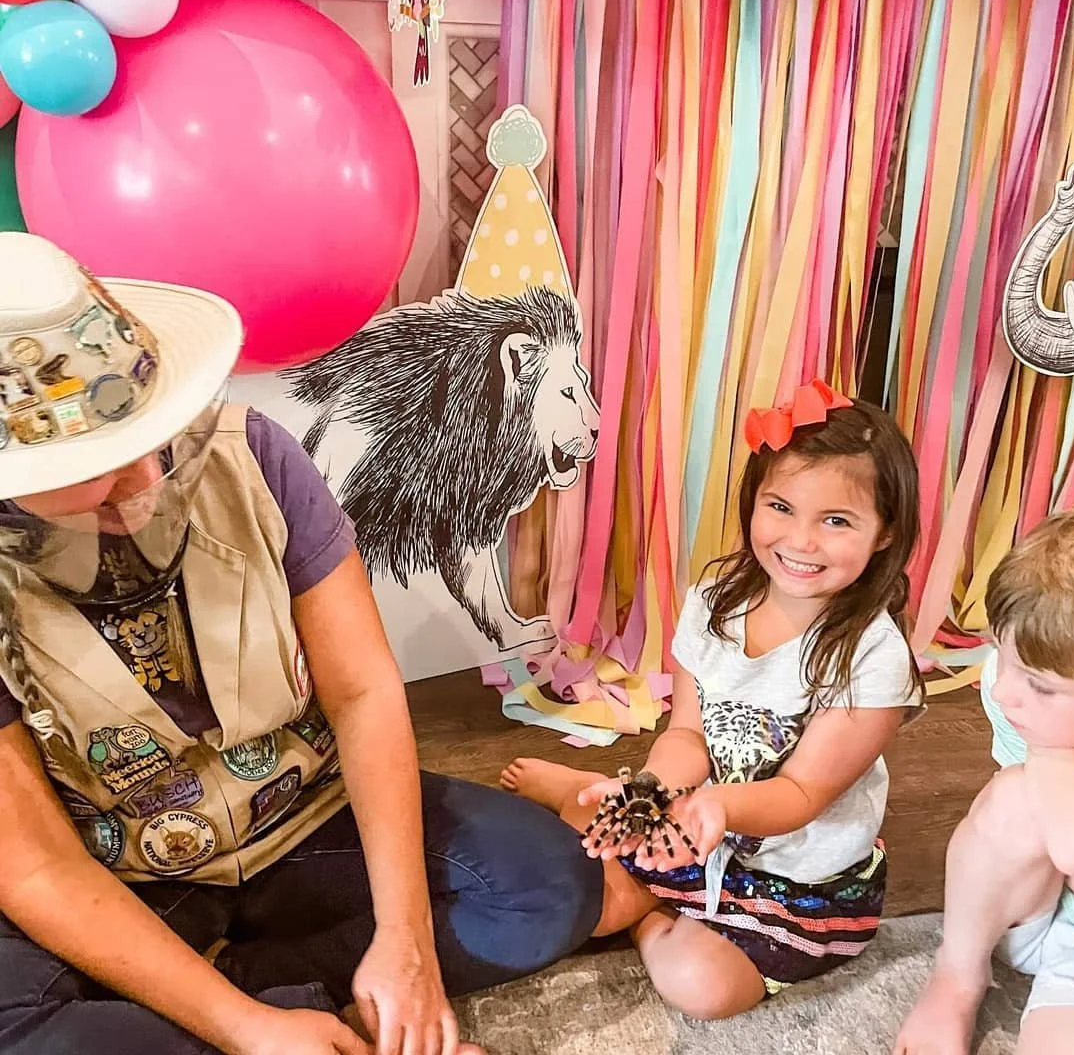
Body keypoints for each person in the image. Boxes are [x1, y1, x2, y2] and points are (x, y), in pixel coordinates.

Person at [0, 233, 602, 1055]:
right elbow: (35, 869)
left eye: (159, 435)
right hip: (123, 875)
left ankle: (249, 999)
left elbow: (362, 692)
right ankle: (257, 1011)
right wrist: (243, 1027)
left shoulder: (255, 456)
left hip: (304, 813)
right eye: (104, 473)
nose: (148, 485)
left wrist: (408, 945)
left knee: (549, 886)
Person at [502, 380, 925, 1017]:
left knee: (703, 987)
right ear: (753, 501)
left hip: (800, 878)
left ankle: (649, 912)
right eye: (781, 507)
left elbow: (802, 795)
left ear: (885, 534)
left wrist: (715, 809)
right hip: (696, 828)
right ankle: (588, 793)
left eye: (836, 521)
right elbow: (687, 737)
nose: (801, 541)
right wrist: (646, 791)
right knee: (576, 904)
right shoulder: (716, 601)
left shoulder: (873, 658)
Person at [894, 510, 1074, 1055]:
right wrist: (1051, 758)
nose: (1002, 692)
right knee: (1012, 799)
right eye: (1002, 655)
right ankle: (957, 977)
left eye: (1041, 686)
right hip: (1058, 926)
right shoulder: (1018, 704)